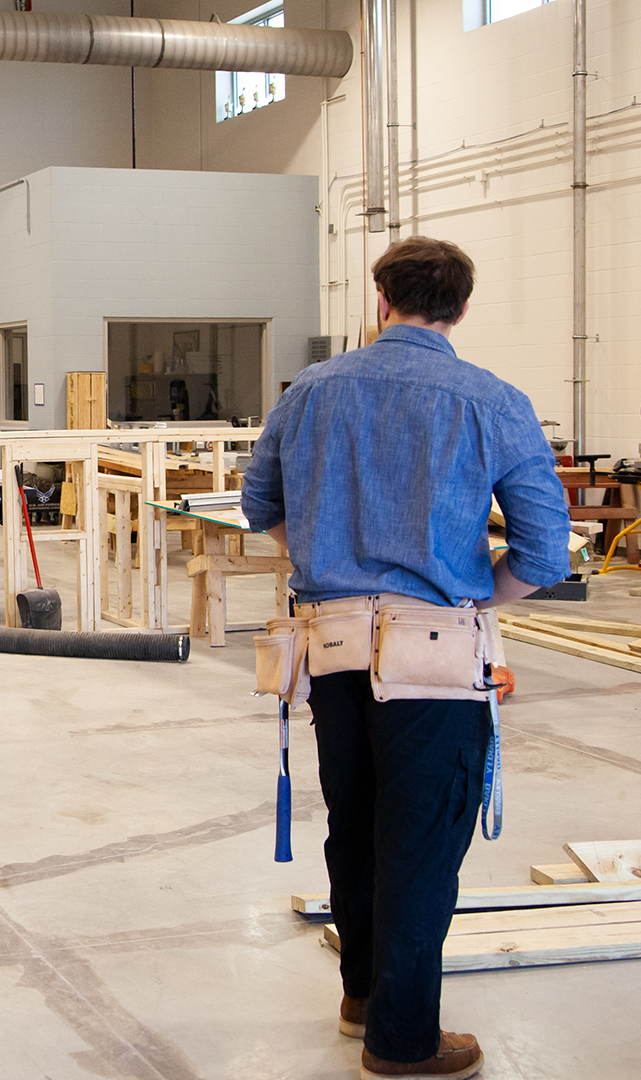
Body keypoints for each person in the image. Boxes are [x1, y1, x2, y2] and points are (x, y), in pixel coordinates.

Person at [242, 237, 570, 1080]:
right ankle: (403, 1041)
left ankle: (362, 996)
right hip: (435, 656)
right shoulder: (492, 400)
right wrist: (475, 602)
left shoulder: (310, 391)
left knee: (354, 821)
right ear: (460, 308)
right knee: (420, 842)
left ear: (380, 299)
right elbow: (543, 550)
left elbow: (259, 503)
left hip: (331, 645)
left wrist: (322, 565)